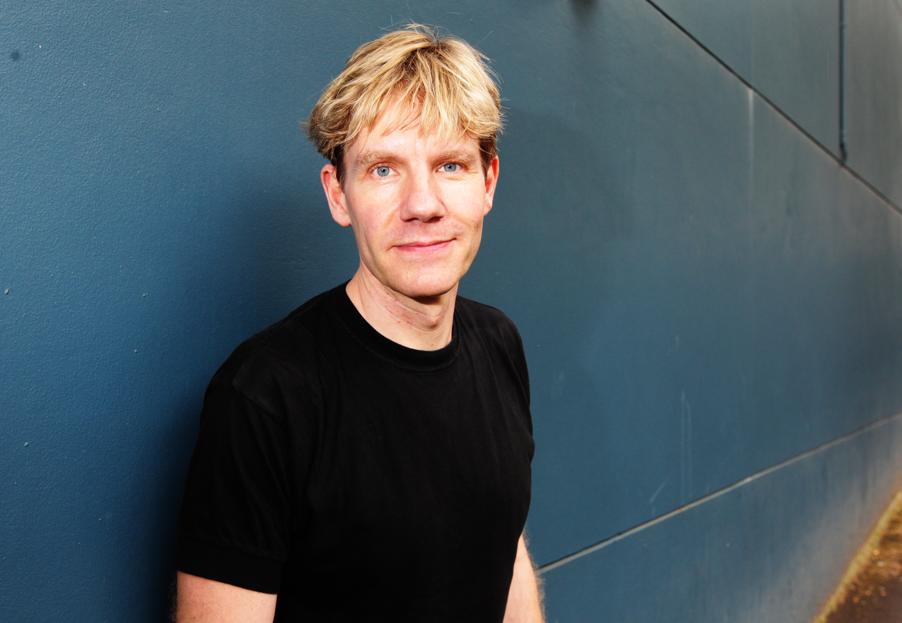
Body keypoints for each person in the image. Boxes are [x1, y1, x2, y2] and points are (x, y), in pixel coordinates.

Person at [175, 24, 543, 622]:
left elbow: (505, 546)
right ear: (338, 195)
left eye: (450, 165)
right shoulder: (266, 396)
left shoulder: (499, 344)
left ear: (488, 182)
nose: (422, 204)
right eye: (383, 170)